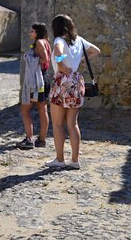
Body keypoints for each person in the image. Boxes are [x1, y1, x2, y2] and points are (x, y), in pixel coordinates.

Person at [46, 14, 100, 170]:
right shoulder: (79, 40)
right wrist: (80, 60)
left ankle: (60, 159)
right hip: (76, 81)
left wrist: (61, 64)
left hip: (62, 81)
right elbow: (96, 51)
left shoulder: (59, 40)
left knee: (57, 124)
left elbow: (57, 50)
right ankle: (75, 160)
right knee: (73, 123)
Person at [16, 22, 51, 150]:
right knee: (42, 109)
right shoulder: (46, 42)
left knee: (25, 109)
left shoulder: (39, 43)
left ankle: (29, 139)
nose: (29, 33)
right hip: (44, 77)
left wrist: (29, 57)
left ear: (37, 32)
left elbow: (45, 59)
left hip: (37, 80)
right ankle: (41, 140)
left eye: (32, 31)